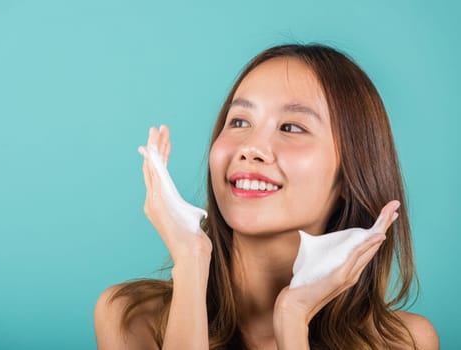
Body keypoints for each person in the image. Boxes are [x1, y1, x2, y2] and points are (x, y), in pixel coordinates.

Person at [94, 44, 439, 349]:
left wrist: (292, 320)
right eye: (240, 121)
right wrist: (191, 260)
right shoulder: (132, 318)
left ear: (350, 174)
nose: (251, 148)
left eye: (291, 127)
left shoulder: (404, 342)